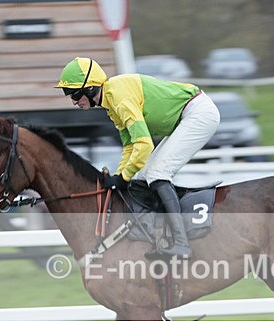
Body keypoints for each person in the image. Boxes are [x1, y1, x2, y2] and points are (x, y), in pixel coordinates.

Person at [55, 57, 220, 259]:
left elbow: (144, 144)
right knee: (141, 176)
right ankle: (159, 234)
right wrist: (118, 176)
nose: (73, 101)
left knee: (157, 173)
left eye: (74, 94)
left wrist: (123, 177)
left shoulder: (118, 97)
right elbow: (130, 147)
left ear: (90, 89)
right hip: (185, 117)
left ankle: (181, 243)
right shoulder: (110, 102)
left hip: (198, 113)